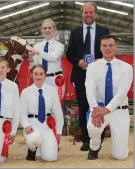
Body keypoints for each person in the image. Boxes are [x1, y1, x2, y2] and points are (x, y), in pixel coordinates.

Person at [66, 2, 110, 151]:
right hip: (80, 75)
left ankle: (100, 137)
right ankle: (85, 140)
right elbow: (69, 53)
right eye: (86, 12)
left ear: (95, 14)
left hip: (99, 75)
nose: (89, 15)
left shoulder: (104, 31)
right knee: (84, 106)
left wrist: (101, 61)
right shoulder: (75, 32)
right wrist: (77, 61)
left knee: (100, 105)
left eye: (91, 12)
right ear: (82, 13)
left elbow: (108, 50)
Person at [85, 35, 133, 160]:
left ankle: (121, 148)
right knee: (92, 127)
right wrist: (95, 110)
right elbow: (89, 89)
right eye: (104, 46)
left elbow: (122, 93)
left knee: (120, 156)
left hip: (119, 110)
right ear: (100, 48)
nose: (108, 48)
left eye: (111, 45)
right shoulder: (92, 67)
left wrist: (106, 110)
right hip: (99, 108)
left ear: (116, 47)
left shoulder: (127, 68)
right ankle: (94, 147)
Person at [20, 64, 64, 161]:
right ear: (32, 75)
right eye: (35, 74)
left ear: (45, 76)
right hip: (32, 126)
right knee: (34, 139)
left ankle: (41, 147)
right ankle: (32, 148)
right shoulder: (25, 92)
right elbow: (22, 113)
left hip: (47, 126)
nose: (38, 76)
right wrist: (26, 126)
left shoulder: (52, 90)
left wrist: (58, 132)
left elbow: (58, 113)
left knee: (50, 157)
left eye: (41, 74)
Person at [29, 19, 65, 95]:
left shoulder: (60, 46)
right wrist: (31, 59)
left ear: (54, 29)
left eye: (50, 28)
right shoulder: (37, 46)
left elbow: (52, 57)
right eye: (45, 28)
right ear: (41, 30)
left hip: (56, 80)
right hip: (40, 79)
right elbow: (34, 66)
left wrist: (38, 51)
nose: (47, 30)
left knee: (56, 106)